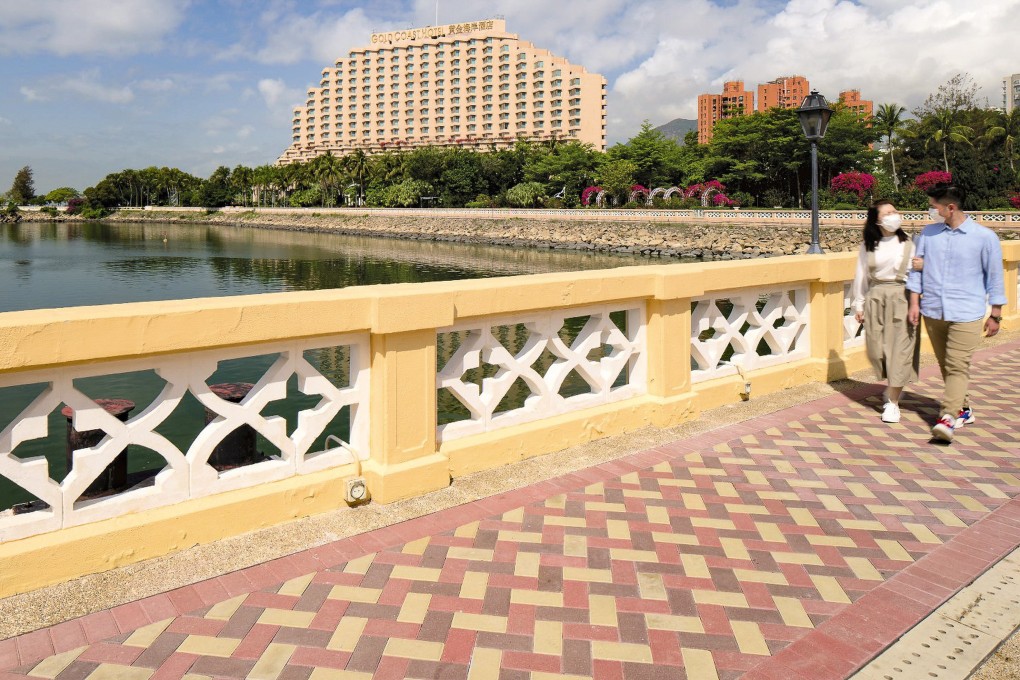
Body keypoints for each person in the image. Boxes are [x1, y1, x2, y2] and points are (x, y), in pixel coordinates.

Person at [906, 184, 1006, 442]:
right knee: (946, 366)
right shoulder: (929, 234)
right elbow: (915, 271)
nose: (931, 211)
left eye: (935, 206)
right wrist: (914, 303)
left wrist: (995, 314)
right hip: (933, 311)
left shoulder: (984, 238)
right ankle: (964, 409)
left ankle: (947, 418)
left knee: (957, 365)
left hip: (967, 313)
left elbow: (995, 278)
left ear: (950, 208)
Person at [850, 200, 920, 423]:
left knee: (901, 350)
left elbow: (918, 274)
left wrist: (916, 301)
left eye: (895, 211)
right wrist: (859, 304)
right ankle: (892, 387)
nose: (893, 215)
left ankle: (893, 402)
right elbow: (861, 275)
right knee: (877, 351)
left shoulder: (908, 242)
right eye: (888, 213)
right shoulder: (869, 245)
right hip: (876, 296)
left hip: (902, 296)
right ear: (877, 220)